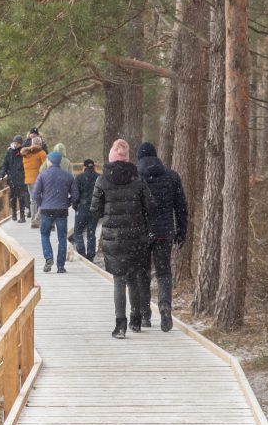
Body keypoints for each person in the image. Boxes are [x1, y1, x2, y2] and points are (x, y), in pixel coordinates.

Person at [90, 139, 155, 339]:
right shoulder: (138, 179)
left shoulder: (102, 180)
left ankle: (120, 325)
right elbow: (150, 206)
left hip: (113, 237)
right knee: (134, 277)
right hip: (136, 236)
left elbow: (95, 210)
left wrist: (109, 212)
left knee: (119, 280)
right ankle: (136, 318)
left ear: (111, 156)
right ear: (128, 158)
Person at [135, 142, 188, 332]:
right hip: (164, 232)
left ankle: (144, 314)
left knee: (143, 273)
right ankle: (165, 306)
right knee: (164, 272)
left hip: (141, 232)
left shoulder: (135, 176)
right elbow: (181, 206)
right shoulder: (172, 176)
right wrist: (182, 230)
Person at [32, 151, 78, 273]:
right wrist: (68, 203)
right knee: (62, 237)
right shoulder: (68, 176)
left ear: (50, 161)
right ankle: (61, 266)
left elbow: (35, 194)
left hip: (46, 210)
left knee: (45, 235)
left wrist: (42, 203)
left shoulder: (43, 175)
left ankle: (48, 257)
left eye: (47, 159)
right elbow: (75, 195)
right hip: (62, 210)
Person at [73, 159, 99, 261]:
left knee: (78, 232)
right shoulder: (99, 178)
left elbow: (76, 194)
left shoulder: (79, 178)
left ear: (84, 167)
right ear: (94, 167)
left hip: (82, 208)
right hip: (94, 209)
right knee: (91, 232)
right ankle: (91, 256)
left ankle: (81, 252)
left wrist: (75, 206)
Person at [0, 135, 28, 222]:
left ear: (20, 144)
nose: (16, 144)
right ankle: (14, 214)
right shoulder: (9, 152)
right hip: (12, 178)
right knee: (13, 197)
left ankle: (22, 216)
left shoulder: (24, 152)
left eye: (18, 143)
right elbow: (5, 164)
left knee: (21, 197)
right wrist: (1, 174)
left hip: (21, 178)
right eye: (15, 142)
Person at [20, 136, 47, 227]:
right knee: (43, 199)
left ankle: (33, 220)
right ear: (40, 144)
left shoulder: (25, 154)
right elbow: (46, 167)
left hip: (29, 180)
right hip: (39, 180)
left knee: (33, 200)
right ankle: (37, 219)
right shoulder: (42, 153)